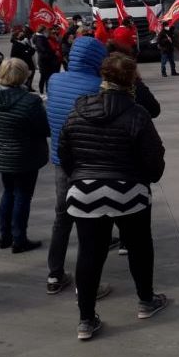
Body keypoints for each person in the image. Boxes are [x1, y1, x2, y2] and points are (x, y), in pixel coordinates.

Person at [58, 53, 167, 341]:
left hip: (83, 190)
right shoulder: (136, 113)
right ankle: (146, 300)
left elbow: (64, 152)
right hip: (128, 189)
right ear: (131, 79)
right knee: (140, 245)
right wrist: (145, 178)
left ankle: (86, 319)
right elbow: (154, 159)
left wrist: (79, 177)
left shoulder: (78, 109)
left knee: (89, 252)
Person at [44, 36, 109, 295]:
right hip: (90, 161)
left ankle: (54, 273)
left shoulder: (54, 80)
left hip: (61, 161)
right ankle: (88, 285)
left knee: (62, 218)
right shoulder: (98, 87)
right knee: (90, 222)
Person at [0, 58, 50, 253]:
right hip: (25, 154)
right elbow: (44, 128)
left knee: (8, 192)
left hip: (2, 152)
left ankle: (5, 235)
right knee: (23, 195)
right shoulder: (30, 101)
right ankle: (19, 238)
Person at [34, 25, 61, 95]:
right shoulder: (40, 38)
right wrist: (52, 52)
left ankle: (46, 91)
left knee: (46, 77)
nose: (47, 32)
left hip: (46, 60)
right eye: (46, 31)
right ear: (42, 31)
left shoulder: (42, 37)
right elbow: (43, 49)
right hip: (44, 61)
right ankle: (42, 91)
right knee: (44, 77)